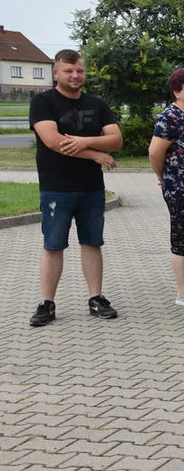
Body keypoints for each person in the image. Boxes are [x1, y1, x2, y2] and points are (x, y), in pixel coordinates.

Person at [28, 49, 123, 327]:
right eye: (68, 71)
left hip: (91, 187)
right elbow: (54, 141)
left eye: (79, 70)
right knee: (53, 245)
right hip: (56, 187)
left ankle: (96, 298)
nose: (75, 75)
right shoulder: (43, 102)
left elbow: (116, 139)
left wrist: (83, 142)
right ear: (56, 73)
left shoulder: (96, 103)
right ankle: (47, 303)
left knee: (92, 243)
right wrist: (95, 153)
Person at [149, 67, 184, 308]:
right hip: (179, 188)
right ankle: (182, 292)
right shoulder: (170, 117)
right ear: (176, 92)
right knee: (182, 238)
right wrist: (163, 175)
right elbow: (155, 151)